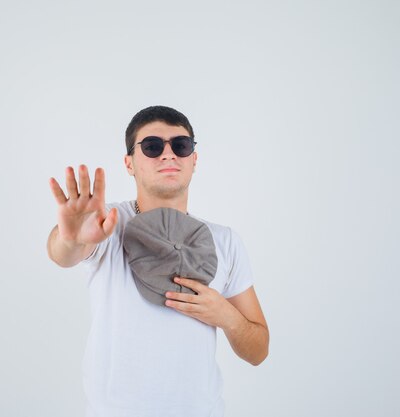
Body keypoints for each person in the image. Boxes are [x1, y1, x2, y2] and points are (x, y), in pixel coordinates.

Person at [47, 105, 269, 417]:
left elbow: (259, 351)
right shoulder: (105, 224)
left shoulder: (225, 240)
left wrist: (226, 316)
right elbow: (63, 253)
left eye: (181, 145)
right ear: (129, 163)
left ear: (194, 159)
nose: (168, 155)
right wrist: (71, 238)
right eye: (152, 147)